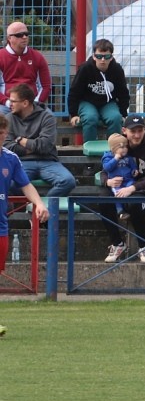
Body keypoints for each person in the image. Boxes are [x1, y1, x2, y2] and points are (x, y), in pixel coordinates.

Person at [99, 115, 145, 264]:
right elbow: (104, 170)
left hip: (143, 188)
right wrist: (108, 182)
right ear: (124, 131)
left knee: (135, 201)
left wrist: (132, 187)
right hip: (120, 186)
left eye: (140, 130)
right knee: (102, 198)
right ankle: (117, 243)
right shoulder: (120, 145)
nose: (136, 135)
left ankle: (143, 246)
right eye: (132, 131)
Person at [3, 83, 76, 200]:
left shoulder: (47, 117)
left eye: (13, 101)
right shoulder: (9, 118)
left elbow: (45, 146)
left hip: (47, 161)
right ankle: (33, 207)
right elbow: (7, 145)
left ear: (25, 103)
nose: (9, 104)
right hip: (22, 162)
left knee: (68, 181)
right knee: (10, 184)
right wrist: (31, 148)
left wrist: (20, 139)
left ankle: (41, 209)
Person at [0, 113, 49, 272]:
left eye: (0, 133)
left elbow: (26, 185)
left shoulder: (11, 159)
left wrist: (39, 203)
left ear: (6, 133)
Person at [68, 38, 130, 142]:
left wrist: (123, 114)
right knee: (90, 118)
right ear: (93, 56)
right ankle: (90, 149)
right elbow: (74, 92)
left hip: (108, 102)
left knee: (115, 118)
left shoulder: (117, 69)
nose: (102, 60)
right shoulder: (85, 68)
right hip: (87, 101)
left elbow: (123, 93)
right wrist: (73, 114)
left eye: (106, 57)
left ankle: (113, 150)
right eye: (99, 56)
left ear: (111, 57)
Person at [0, 20, 52, 113]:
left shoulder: (37, 57)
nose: (24, 37)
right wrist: (8, 102)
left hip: (32, 104)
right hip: (6, 105)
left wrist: (35, 103)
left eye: (26, 34)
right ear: (9, 38)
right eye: (19, 35)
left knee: (49, 116)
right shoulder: (1, 57)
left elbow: (46, 86)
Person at [102, 133, 136, 218]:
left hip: (128, 180)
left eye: (126, 147)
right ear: (113, 149)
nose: (124, 149)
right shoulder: (108, 157)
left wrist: (134, 171)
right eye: (121, 147)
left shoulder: (128, 158)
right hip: (117, 183)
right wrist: (115, 159)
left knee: (132, 189)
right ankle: (120, 211)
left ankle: (129, 207)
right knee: (117, 194)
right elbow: (107, 168)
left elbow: (133, 166)